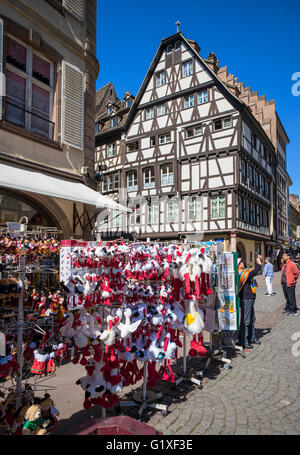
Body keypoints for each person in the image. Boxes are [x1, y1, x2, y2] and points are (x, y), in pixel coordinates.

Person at [238, 255, 262, 349]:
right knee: (246, 320)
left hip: (250, 298)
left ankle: (251, 338)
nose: (243, 263)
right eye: (241, 262)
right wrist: (258, 265)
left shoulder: (245, 271)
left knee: (252, 319)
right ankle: (244, 341)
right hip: (246, 298)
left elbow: (252, 271)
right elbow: (254, 272)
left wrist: (258, 261)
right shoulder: (240, 273)